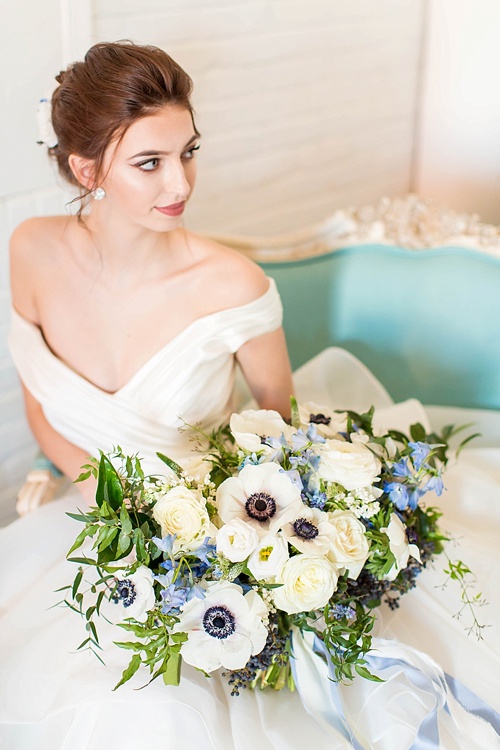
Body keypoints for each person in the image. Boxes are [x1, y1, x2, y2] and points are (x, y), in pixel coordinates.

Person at [1, 41, 499, 750]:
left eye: (189, 151)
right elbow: (39, 403)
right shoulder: (31, 248)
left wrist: (222, 548)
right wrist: (109, 504)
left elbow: (280, 429)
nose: (181, 182)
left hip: (214, 532)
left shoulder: (233, 286)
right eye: (150, 163)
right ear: (88, 170)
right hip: (93, 523)